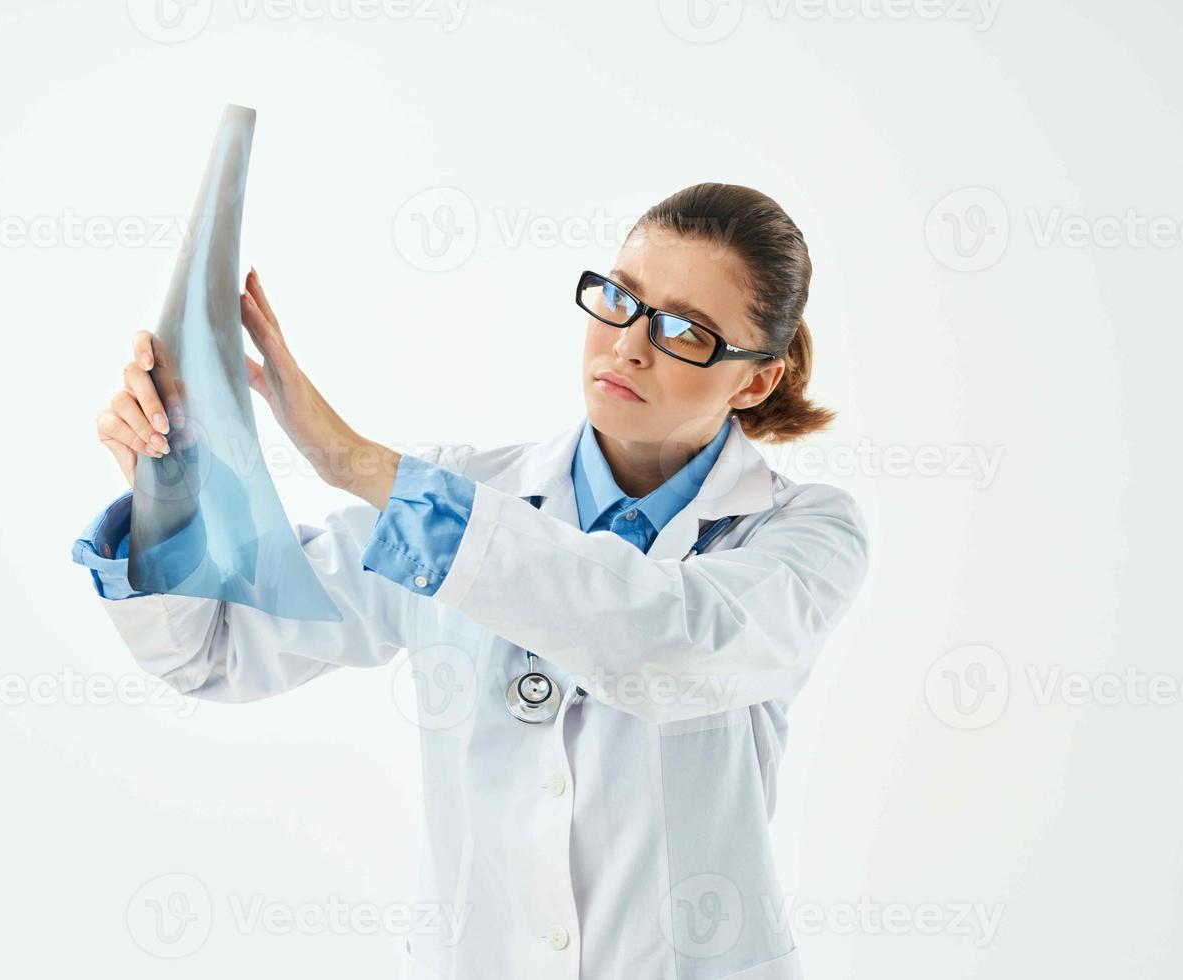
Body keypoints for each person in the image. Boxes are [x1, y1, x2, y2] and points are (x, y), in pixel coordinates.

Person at [71, 182, 870, 980]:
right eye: (620, 301)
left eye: (686, 331)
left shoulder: (801, 534)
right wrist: (165, 495)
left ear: (756, 381)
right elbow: (215, 650)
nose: (630, 345)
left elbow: (674, 642)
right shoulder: (466, 493)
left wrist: (355, 462)